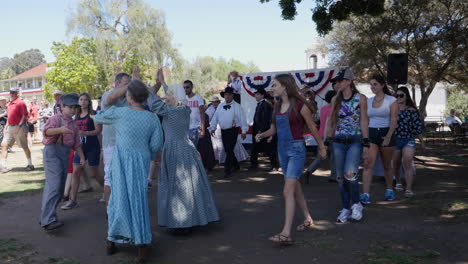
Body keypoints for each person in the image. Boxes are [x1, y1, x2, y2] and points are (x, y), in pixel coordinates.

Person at [94, 79, 163, 262]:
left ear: (129, 97)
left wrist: (110, 99)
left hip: (121, 161)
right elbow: (156, 144)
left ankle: (111, 240)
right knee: (138, 200)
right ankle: (142, 244)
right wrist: (146, 154)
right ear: (145, 98)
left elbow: (98, 116)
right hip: (140, 161)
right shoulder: (152, 117)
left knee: (117, 199)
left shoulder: (120, 113)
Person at [255, 74, 327, 244]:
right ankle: (308, 218)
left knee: (287, 190)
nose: (272, 88)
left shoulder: (301, 105)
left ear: (285, 86)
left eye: (274, 85)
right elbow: (274, 130)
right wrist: (261, 135)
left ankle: (286, 233)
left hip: (296, 150)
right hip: (282, 151)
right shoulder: (276, 105)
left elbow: (312, 128)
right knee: (295, 188)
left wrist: (322, 147)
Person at [151, 69, 219, 231]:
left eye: (168, 95)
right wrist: (165, 84)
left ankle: (182, 222)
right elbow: (173, 97)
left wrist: (141, 83)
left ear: (175, 97)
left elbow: (151, 101)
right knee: (187, 185)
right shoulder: (184, 109)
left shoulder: (170, 110)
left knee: (178, 186)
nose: (166, 96)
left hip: (175, 150)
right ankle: (189, 219)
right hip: (185, 147)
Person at [326, 68, 369, 223]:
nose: (338, 83)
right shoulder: (335, 100)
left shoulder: (361, 98)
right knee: (340, 178)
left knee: (350, 174)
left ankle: (356, 204)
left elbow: (364, 120)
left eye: (341, 80)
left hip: (355, 141)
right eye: (337, 81)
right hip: (338, 142)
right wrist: (327, 138)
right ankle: (345, 207)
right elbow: (331, 120)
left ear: (350, 81)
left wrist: (366, 142)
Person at [39, 93, 85, 231]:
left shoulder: (74, 124)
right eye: (69, 107)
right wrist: (61, 130)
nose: (72, 110)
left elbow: (76, 144)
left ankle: (48, 217)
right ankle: (48, 220)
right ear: (62, 106)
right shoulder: (56, 119)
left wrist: (82, 157)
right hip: (53, 152)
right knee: (54, 185)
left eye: (74, 107)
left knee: (59, 188)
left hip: (65, 153)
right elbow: (46, 132)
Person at [61, 93, 104, 210]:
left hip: (92, 146)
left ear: (89, 102)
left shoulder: (93, 114)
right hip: (79, 147)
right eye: (81, 99)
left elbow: (98, 130)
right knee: (76, 172)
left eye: (85, 100)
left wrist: (85, 133)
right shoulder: (75, 115)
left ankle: (107, 191)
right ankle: (72, 200)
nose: (83, 102)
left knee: (94, 174)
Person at [361, 75, 398, 204]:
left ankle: (389, 190)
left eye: (375, 84)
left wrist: (388, 137)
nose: (372, 87)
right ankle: (365, 194)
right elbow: (365, 120)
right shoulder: (368, 101)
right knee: (367, 164)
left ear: (382, 85)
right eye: (371, 85)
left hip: (386, 133)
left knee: (387, 165)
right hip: (371, 133)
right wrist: (365, 139)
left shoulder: (391, 100)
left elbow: (394, 119)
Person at [100, 73, 132, 203]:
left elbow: (148, 94)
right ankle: (109, 210)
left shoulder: (129, 99)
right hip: (111, 145)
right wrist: (133, 83)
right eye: (126, 83)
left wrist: (159, 83)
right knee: (110, 177)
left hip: (128, 144)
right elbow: (112, 97)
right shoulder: (107, 95)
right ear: (117, 83)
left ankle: (122, 207)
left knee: (125, 177)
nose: (129, 87)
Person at [393, 87, 425, 198]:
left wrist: (422, 142)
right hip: (395, 140)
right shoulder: (392, 109)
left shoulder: (412, 110)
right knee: (396, 164)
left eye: (401, 95)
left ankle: (409, 189)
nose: (398, 97)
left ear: (406, 96)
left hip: (409, 139)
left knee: (407, 162)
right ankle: (398, 182)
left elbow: (417, 127)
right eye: (396, 95)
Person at [209, 87, 248, 177]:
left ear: (232, 96)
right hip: (224, 130)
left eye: (229, 95)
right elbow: (215, 117)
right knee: (227, 150)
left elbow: (242, 119)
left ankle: (227, 170)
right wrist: (212, 127)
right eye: (226, 95)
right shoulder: (220, 105)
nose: (227, 97)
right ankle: (236, 165)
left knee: (229, 149)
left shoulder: (237, 106)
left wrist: (244, 130)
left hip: (233, 130)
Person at [305, 90, 337, 182]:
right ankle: (333, 176)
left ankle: (309, 170)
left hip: (321, 134)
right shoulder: (334, 109)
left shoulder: (323, 108)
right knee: (333, 158)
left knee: (321, 157)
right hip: (331, 135)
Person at [1, 87, 34, 173]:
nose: (12, 94)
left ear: (17, 93)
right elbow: (9, 116)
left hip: (20, 127)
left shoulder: (21, 103)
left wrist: (18, 126)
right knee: (4, 145)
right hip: (10, 127)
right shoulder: (9, 104)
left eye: (13, 93)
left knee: (24, 146)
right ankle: (3, 166)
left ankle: (30, 164)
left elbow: (24, 116)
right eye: (11, 92)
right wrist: (6, 126)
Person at [250, 87, 278, 171]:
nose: (255, 96)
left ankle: (274, 164)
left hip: (263, 130)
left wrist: (261, 130)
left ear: (262, 95)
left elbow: (265, 119)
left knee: (269, 148)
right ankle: (254, 164)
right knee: (255, 148)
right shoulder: (260, 104)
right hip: (257, 130)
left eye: (258, 94)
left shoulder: (265, 104)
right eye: (255, 94)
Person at [184, 80, 205, 147]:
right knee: (189, 150)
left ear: (192, 87)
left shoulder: (198, 98)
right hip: (186, 128)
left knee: (193, 149)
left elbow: (202, 113)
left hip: (196, 128)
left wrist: (203, 129)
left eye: (187, 87)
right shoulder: (183, 99)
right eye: (184, 87)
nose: (185, 89)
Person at [197, 102, 216, 170]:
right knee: (201, 149)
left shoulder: (205, 115)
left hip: (205, 134)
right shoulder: (195, 115)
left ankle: (209, 165)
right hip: (198, 134)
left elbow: (206, 124)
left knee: (206, 149)